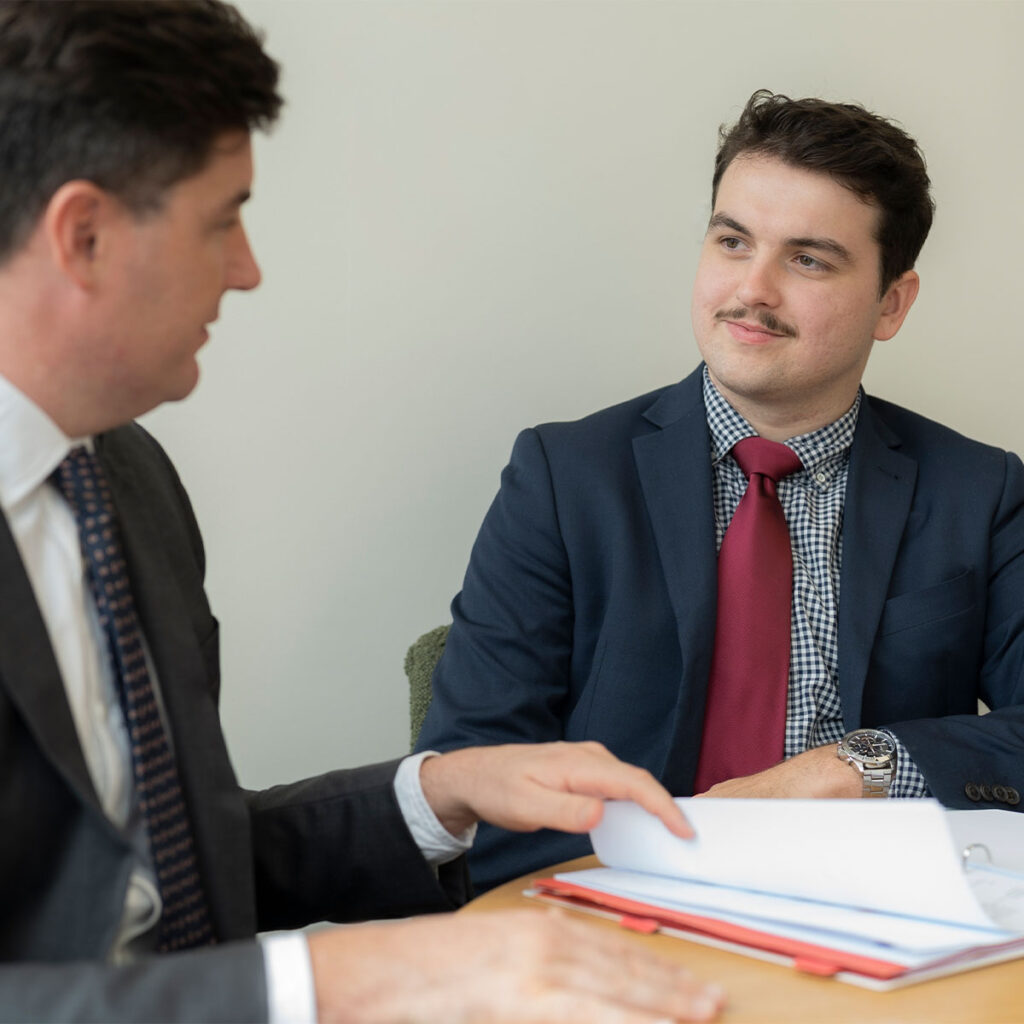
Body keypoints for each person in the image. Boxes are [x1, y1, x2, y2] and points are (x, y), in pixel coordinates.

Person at [0, 2, 729, 1021]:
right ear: (83, 236)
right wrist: (345, 979)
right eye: (221, 219)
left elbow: (179, 867)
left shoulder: (125, 480)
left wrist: (442, 792)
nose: (247, 268)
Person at [417, 89, 1024, 892]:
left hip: (876, 918)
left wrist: (852, 767)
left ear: (891, 303)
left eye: (808, 259)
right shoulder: (563, 478)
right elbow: (475, 770)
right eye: (733, 242)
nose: (753, 289)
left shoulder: (981, 491)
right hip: (617, 909)